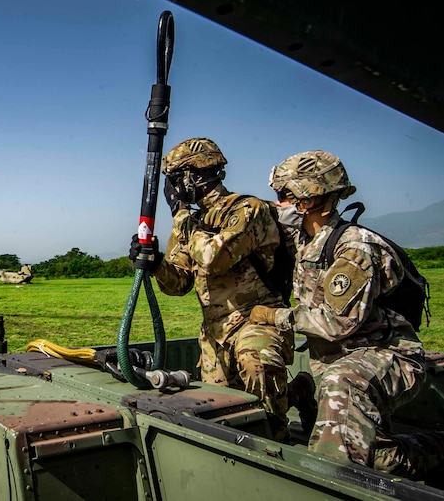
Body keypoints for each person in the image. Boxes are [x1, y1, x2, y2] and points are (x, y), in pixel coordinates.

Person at [249, 149, 444, 478]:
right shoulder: (307, 242)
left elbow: (336, 322)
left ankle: (334, 485)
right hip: (343, 358)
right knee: (378, 459)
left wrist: (274, 317)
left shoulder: (353, 247)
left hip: (387, 356)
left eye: (283, 195)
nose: (277, 204)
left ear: (307, 200)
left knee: (343, 389)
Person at [129, 137, 309, 442]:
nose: (171, 189)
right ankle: (297, 392)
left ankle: (278, 444)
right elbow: (180, 284)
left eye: (175, 179)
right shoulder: (190, 222)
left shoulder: (246, 209)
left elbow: (212, 259)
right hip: (215, 331)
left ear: (195, 175)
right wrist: (156, 262)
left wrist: (182, 216)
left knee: (259, 377)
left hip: (257, 320)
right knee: (224, 411)